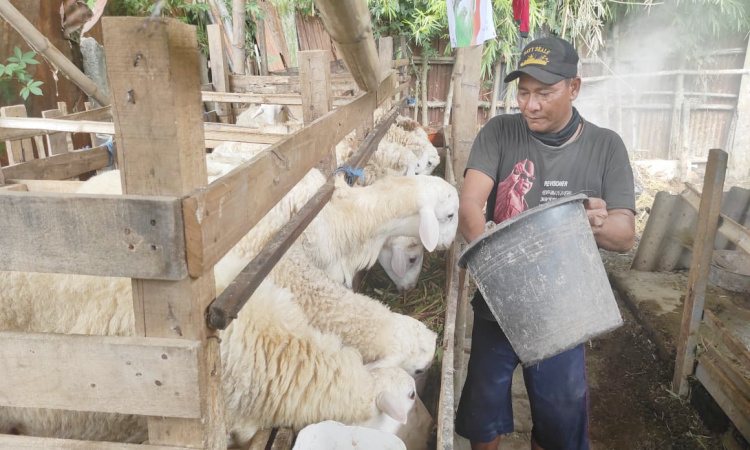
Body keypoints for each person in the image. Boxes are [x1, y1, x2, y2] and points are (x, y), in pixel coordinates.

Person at [454, 35, 636, 450]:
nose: (529, 104)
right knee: (483, 417)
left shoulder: (605, 146)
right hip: (498, 306)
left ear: (574, 88)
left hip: (565, 314)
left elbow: (625, 235)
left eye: (544, 93)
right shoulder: (500, 133)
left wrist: (591, 223)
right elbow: (470, 206)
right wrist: (498, 268)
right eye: (523, 92)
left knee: (559, 423)